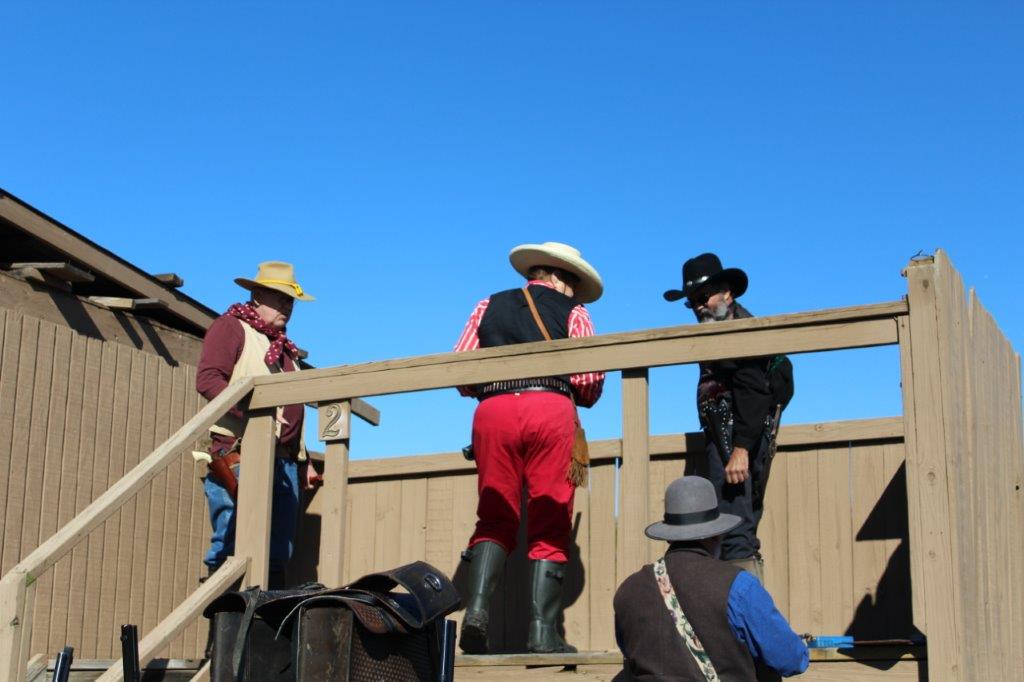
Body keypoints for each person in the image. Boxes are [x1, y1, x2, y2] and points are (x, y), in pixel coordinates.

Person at [453, 241, 605, 654]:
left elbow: (461, 371)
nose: (573, 291)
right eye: (571, 282)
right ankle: (542, 632)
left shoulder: (487, 305)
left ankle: (476, 612)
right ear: (555, 276)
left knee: (494, 515)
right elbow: (589, 382)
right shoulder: (575, 312)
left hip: (493, 412)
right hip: (549, 410)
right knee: (550, 517)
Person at [663, 253, 794, 581]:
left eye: (704, 297)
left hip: (734, 441)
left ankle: (740, 611)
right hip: (730, 438)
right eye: (691, 302)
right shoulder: (722, 329)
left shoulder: (737, 331)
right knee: (734, 531)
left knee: (734, 532)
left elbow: (754, 390)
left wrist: (741, 449)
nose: (698, 306)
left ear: (727, 293)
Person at [195, 261, 321, 590]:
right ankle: (224, 625)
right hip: (240, 455)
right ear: (257, 296)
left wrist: (303, 460)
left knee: (277, 553)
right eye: (279, 297)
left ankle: (264, 624)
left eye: (290, 300)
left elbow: (292, 412)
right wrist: (252, 414)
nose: (287, 306)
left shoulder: (284, 347)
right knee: (231, 545)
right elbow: (208, 380)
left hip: (285, 463)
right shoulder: (231, 327)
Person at [614, 476, 808, 680]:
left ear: (669, 535)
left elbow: (629, 652)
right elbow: (791, 660)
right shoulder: (739, 586)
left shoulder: (628, 591)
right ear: (717, 534)